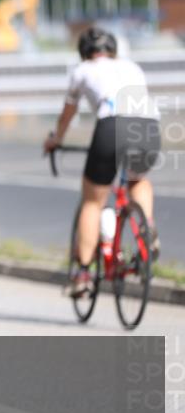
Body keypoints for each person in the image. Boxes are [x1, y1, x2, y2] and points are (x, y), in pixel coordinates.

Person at [43, 27, 162, 297]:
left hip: (112, 126)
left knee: (92, 201)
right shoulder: (132, 67)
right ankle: (147, 230)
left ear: (85, 52)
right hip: (148, 125)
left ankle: (83, 274)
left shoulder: (83, 70)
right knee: (138, 179)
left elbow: (67, 115)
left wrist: (55, 139)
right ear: (113, 50)